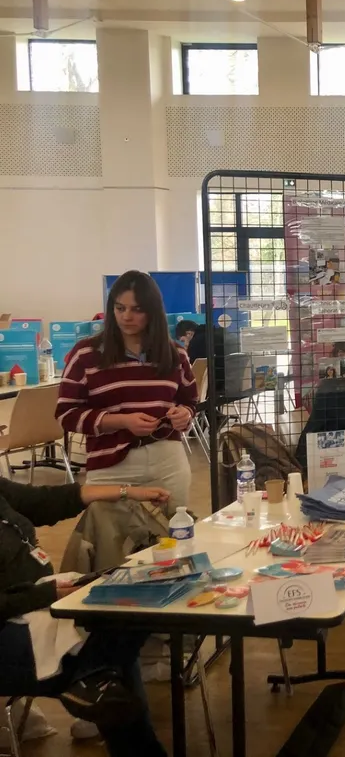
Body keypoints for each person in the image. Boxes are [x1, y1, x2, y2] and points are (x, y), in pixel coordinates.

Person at [0, 476, 171, 757]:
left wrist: (128, 491)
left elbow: (45, 500)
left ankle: (94, 681)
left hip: (36, 606)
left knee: (127, 612)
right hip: (9, 629)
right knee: (104, 655)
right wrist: (48, 595)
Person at [55, 270, 198, 512]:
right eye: (120, 308)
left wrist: (184, 414)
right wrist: (120, 421)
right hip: (110, 467)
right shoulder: (86, 354)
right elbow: (66, 413)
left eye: (137, 310)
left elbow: (190, 402)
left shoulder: (175, 355)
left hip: (168, 461)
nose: (126, 317)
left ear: (152, 311)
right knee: (112, 542)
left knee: (174, 537)